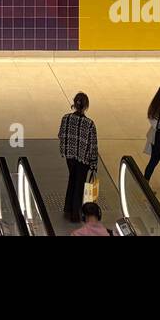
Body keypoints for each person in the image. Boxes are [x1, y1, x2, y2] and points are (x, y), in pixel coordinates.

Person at [58, 91, 99, 224]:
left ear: (74, 104)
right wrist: (93, 164)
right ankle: (75, 213)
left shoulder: (66, 118)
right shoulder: (90, 124)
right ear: (86, 106)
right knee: (79, 184)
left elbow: (61, 135)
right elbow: (93, 145)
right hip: (83, 158)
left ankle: (68, 207)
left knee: (72, 179)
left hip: (70, 156)